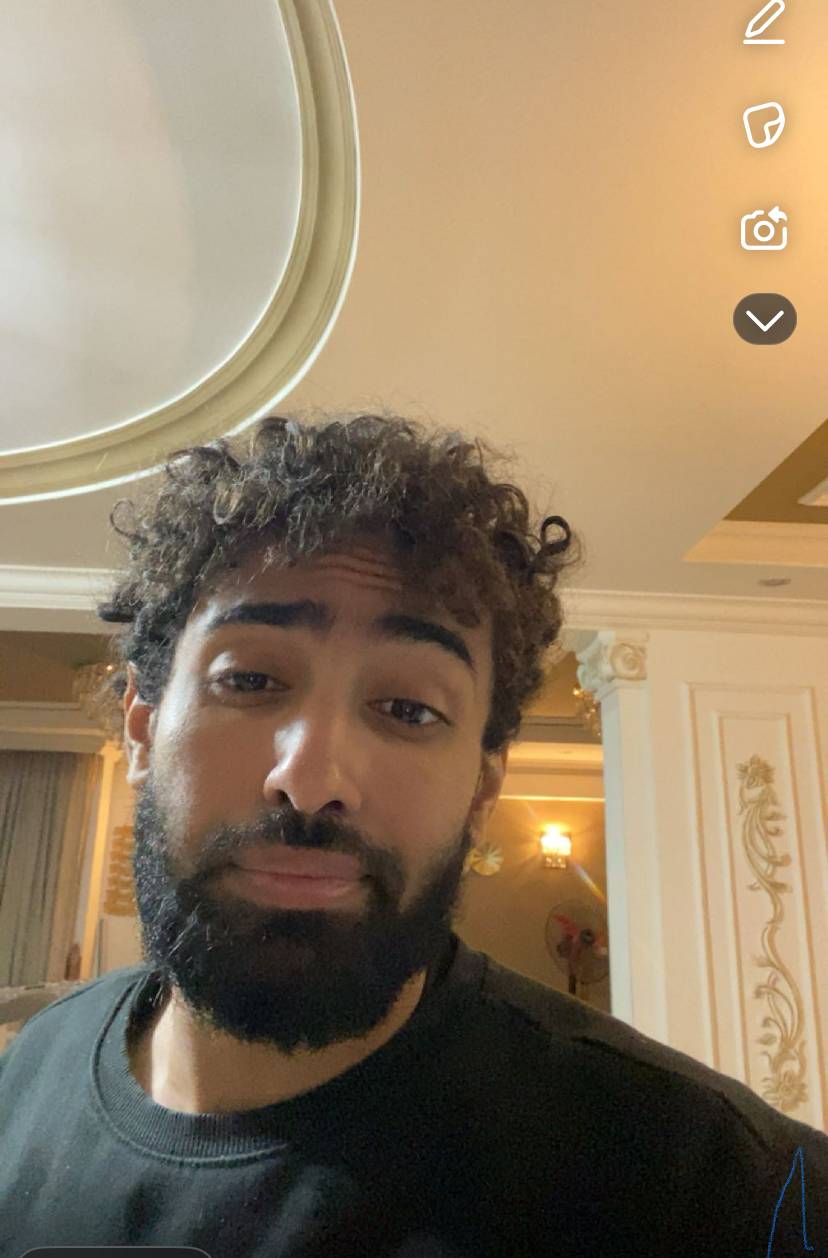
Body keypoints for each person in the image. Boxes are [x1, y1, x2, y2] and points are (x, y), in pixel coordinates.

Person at [0, 413, 825, 1258]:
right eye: (248, 679)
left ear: (482, 789)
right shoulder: (29, 1072)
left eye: (408, 709)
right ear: (141, 732)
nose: (310, 779)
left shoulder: (716, 1191)